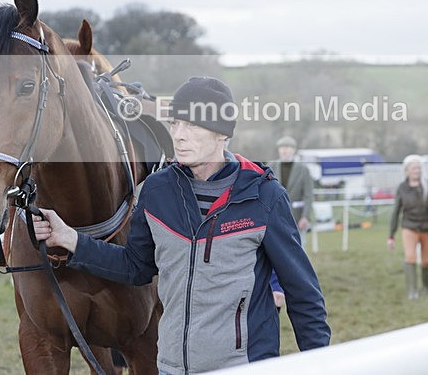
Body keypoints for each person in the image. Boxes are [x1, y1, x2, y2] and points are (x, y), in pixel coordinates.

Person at [33, 76, 331, 374]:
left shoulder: (264, 197)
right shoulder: (156, 191)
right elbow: (135, 266)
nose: (178, 135)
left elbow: (302, 292)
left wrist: (321, 365)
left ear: (221, 133)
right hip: (172, 367)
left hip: (244, 367)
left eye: (192, 125)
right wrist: (70, 238)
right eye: (175, 124)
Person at [387, 154, 428, 300]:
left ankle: (426, 288)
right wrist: (391, 235)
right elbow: (396, 212)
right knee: (410, 257)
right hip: (409, 227)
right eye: (413, 168)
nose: (416, 170)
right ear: (407, 171)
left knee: (426, 261)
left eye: (418, 168)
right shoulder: (402, 188)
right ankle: (412, 291)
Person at [268, 135, 314, 247]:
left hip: (296, 217)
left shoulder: (303, 170)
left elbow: (308, 195)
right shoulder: (270, 167)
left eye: (287, 147)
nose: (284, 150)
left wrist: (305, 217)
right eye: (282, 147)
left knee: (298, 247)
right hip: (275, 218)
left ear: (293, 150)